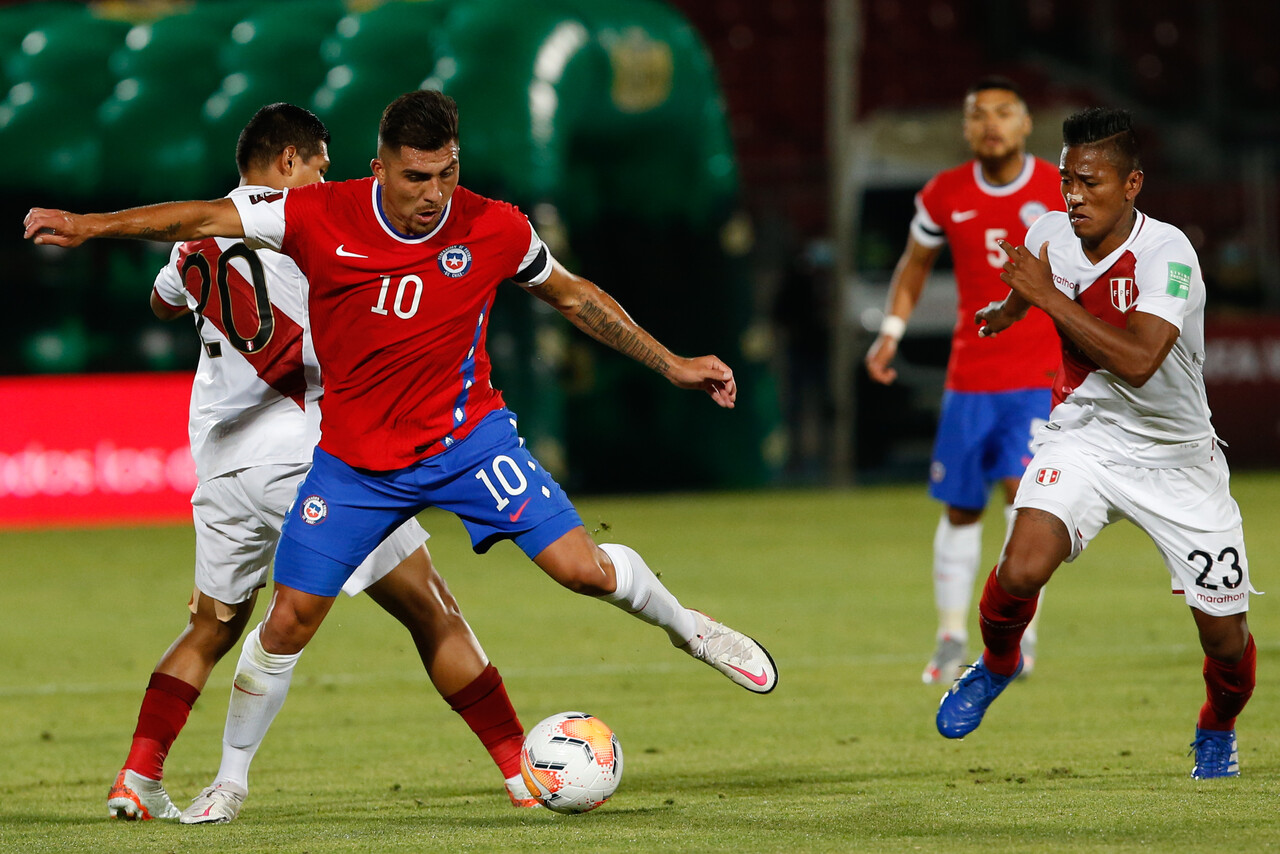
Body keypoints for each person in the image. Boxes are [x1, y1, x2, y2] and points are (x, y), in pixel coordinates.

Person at [28, 87, 777, 803]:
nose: (434, 193)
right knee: (296, 619)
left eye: (448, 174)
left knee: (580, 571)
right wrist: (89, 225)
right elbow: (195, 218)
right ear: (378, 166)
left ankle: (689, 629)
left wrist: (673, 361)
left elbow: (573, 294)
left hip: (466, 442)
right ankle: (229, 784)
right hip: (354, 464)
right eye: (418, 176)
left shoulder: (495, 226)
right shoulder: (318, 214)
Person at [105, 103, 537, 824]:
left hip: (218, 465)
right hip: (302, 450)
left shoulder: (192, 242)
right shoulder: (307, 222)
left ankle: (137, 777)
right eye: (319, 166)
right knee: (431, 608)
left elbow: (160, 304)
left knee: (213, 626)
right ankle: (523, 767)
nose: (327, 181)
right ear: (286, 163)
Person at [937, 107, 1256, 780]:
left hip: (1180, 462)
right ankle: (997, 663)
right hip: (1087, 434)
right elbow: (1035, 282)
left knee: (1225, 639)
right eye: (1064, 180)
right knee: (1021, 567)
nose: (1073, 195)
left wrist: (1043, 298)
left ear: (1132, 184)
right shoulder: (1052, 231)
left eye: (1091, 181)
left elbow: (1140, 360)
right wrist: (1009, 309)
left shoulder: (1167, 255)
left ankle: (1216, 727)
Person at [864, 77, 1062, 684]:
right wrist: (892, 330)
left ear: (1026, 125)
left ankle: (1018, 640)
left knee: (1026, 504)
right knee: (959, 509)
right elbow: (913, 265)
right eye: (979, 115)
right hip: (970, 378)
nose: (991, 124)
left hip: (1037, 375)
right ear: (967, 128)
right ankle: (951, 636)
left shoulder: (1057, 190)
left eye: (1004, 113)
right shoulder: (944, 194)